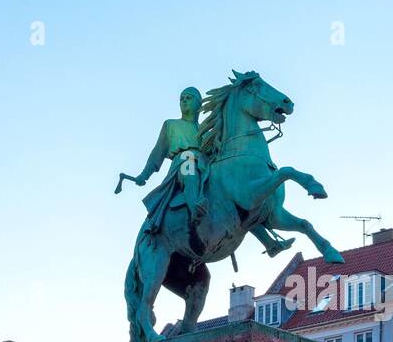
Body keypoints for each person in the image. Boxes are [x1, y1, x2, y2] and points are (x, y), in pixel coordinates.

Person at [118, 87, 293, 255]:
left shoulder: (205, 130)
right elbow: (157, 154)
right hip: (183, 162)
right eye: (182, 98)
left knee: (234, 195)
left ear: (199, 104)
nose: (184, 101)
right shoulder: (171, 125)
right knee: (189, 162)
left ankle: (270, 244)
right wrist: (144, 175)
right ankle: (195, 205)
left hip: (205, 166)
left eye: (189, 98)